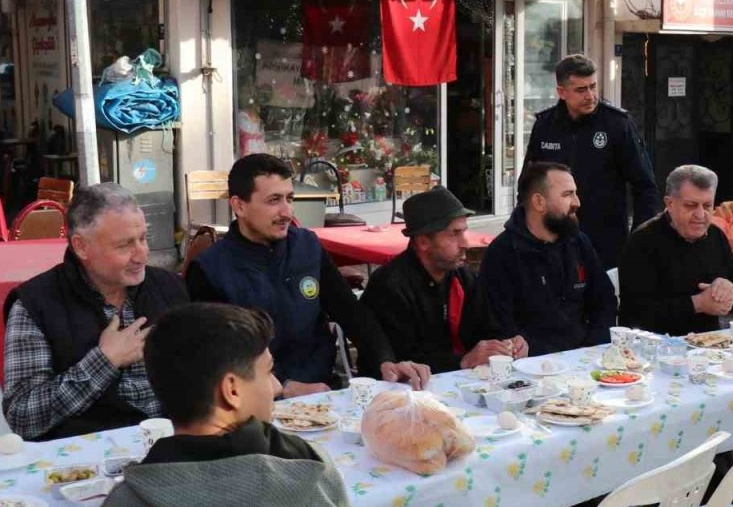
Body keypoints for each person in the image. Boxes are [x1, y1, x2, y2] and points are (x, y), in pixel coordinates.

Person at [187, 154, 428, 397]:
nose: (287, 211)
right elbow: (216, 352)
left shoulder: (308, 247)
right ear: (239, 206)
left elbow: (350, 311)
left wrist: (384, 360)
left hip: (323, 388)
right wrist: (284, 385)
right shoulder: (210, 269)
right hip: (253, 399)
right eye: (274, 200)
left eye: (289, 198)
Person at [103, 303, 350, 507]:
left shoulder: (126, 499)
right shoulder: (311, 471)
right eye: (268, 372)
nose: (275, 387)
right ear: (232, 390)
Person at [3, 183, 188, 440]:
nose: (141, 255)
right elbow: (22, 417)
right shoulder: (36, 304)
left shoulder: (170, 288)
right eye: (124, 245)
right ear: (81, 247)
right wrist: (105, 361)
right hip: (82, 462)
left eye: (144, 238)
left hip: (171, 446)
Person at [362, 188, 527, 374]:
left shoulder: (463, 277)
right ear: (423, 242)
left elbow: (488, 328)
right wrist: (463, 361)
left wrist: (508, 344)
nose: (465, 242)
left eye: (464, 231)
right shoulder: (390, 286)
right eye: (454, 234)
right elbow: (398, 359)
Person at [524, 54, 659, 268]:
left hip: (605, 242)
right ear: (561, 92)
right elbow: (529, 184)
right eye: (581, 89)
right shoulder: (545, 126)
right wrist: (525, 229)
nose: (590, 96)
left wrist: (639, 239)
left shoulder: (617, 125)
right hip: (554, 238)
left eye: (593, 87)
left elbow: (645, 187)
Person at [479, 162, 617, 356]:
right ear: (539, 202)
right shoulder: (503, 253)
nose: (577, 202)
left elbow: (604, 300)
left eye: (575, 193)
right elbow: (499, 326)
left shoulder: (578, 242)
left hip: (586, 359)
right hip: (531, 367)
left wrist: (593, 347)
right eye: (567, 194)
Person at [619, 165, 733, 335]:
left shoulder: (715, 235)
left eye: (707, 206)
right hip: (654, 349)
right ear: (670, 204)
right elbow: (636, 314)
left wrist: (730, 290)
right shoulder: (642, 241)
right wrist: (697, 304)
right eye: (691, 205)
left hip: (708, 345)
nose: (700, 214)